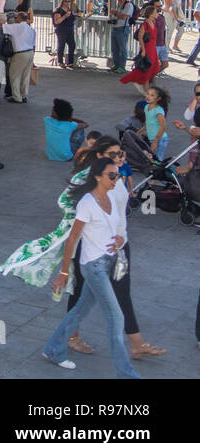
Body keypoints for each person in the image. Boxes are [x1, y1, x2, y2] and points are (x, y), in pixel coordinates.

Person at [41, 159, 140, 378]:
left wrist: (120, 240)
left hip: (110, 262)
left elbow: (118, 229)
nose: (116, 179)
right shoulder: (87, 202)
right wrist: (64, 272)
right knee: (116, 318)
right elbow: (73, 238)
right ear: (98, 176)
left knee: (79, 311)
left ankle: (53, 349)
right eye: (111, 175)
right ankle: (127, 374)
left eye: (117, 175)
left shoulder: (113, 197)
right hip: (94, 268)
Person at [119, 2, 160, 93]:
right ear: (151, 14)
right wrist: (143, 50)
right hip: (148, 48)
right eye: (156, 12)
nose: (157, 14)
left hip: (153, 48)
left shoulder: (154, 23)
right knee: (147, 70)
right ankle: (147, 91)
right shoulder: (145, 24)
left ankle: (150, 88)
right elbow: (140, 37)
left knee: (154, 68)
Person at [4, 10, 36, 103]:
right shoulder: (31, 29)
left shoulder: (17, 27)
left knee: (14, 75)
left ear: (19, 18)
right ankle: (24, 95)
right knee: (25, 76)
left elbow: (2, 27)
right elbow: (34, 44)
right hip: (30, 52)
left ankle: (17, 97)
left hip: (20, 53)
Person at [107, 0, 136, 74]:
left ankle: (122, 67)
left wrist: (115, 12)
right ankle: (116, 65)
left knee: (122, 48)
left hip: (122, 28)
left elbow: (123, 16)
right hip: (115, 27)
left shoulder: (128, 5)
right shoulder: (118, 4)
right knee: (114, 48)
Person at [139, 84, 170, 161]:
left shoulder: (158, 111)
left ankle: (159, 172)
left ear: (158, 98)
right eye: (148, 94)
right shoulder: (147, 107)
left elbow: (163, 127)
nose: (148, 96)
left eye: (152, 95)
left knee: (158, 159)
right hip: (152, 139)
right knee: (152, 158)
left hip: (160, 139)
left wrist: (155, 141)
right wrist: (140, 131)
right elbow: (149, 123)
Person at [52, 0, 78, 68]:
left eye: (69, 1)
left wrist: (76, 15)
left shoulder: (70, 10)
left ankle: (70, 62)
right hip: (61, 30)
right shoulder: (58, 10)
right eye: (66, 1)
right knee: (61, 46)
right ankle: (60, 62)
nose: (68, 3)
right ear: (62, 2)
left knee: (72, 45)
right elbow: (57, 21)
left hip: (70, 29)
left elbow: (72, 17)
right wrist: (65, 16)